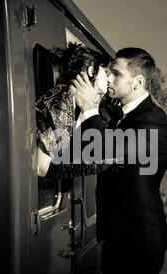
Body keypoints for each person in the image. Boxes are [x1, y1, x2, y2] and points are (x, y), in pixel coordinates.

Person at [69, 48, 167, 274]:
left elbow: (104, 149)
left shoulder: (153, 120)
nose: (110, 78)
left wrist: (89, 108)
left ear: (138, 82)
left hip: (138, 240)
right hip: (119, 235)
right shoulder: (121, 116)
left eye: (116, 73)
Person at [35, 42, 111, 177]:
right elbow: (41, 166)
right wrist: (94, 166)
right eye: (105, 72)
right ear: (91, 70)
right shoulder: (64, 97)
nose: (109, 78)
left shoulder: (74, 100)